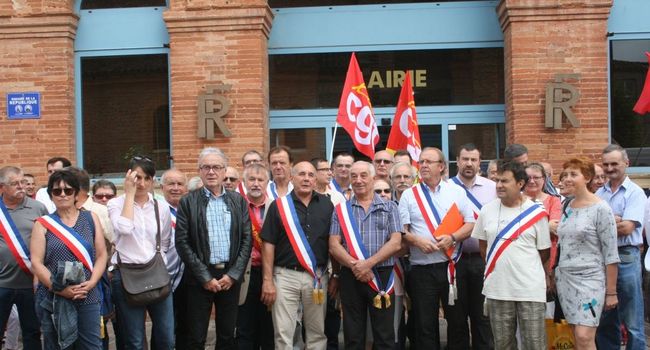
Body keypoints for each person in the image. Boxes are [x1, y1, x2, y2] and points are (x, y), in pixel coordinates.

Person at [175, 147, 252, 349]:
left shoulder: (238, 201)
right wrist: (205, 277)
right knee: (196, 337)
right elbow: (182, 242)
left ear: (224, 170)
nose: (211, 172)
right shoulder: (187, 202)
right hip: (200, 277)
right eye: (206, 167)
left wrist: (234, 274)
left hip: (230, 277)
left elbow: (247, 240)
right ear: (199, 171)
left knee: (227, 336)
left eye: (216, 167)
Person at [398, 147, 475, 349]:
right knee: (425, 325)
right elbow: (401, 231)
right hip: (421, 270)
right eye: (421, 162)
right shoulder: (409, 195)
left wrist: (452, 237)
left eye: (428, 162)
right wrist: (417, 241)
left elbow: (471, 224)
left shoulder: (457, 192)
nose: (423, 165)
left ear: (441, 166)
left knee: (458, 322)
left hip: (452, 267)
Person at [472, 161, 550, 350]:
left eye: (505, 181)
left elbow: (544, 251)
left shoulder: (536, 212)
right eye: (497, 180)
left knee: (535, 344)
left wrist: (523, 268)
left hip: (530, 290)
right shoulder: (486, 210)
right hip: (498, 290)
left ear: (520, 183)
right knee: (503, 345)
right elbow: (483, 247)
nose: (498, 185)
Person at [260, 161, 333, 350]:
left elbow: (333, 242)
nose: (306, 178)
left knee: (317, 333)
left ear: (316, 179)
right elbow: (268, 244)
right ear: (292, 177)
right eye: (301, 174)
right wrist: (267, 280)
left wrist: (337, 275)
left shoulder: (327, 204)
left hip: (316, 277)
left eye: (310, 174)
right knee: (284, 333)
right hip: (285, 277)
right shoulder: (279, 206)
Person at [31, 169, 108, 349]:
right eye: (57, 191)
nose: (63, 194)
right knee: (58, 346)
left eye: (68, 190)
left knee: (91, 346)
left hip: (87, 294)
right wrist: (60, 289)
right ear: (51, 196)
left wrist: (92, 282)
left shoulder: (90, 218)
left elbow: (102, 254)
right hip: (54, 297)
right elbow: (36, 262)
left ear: (76, 194)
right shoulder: (42, 224)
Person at [329, 161, 402, 350]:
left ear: (373, 178)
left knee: (384, 333)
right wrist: (356, 266)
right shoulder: (341, 210)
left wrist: (367, 264)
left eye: (363, 175)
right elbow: (334, 245)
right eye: (354, 176)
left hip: (382, 276)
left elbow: (395, 242)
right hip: (350, 276)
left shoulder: (390, 207)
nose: (358, 180)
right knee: (353, 334)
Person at [108, 156, 174, 350]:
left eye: (147, 178)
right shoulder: (115, 204)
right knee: (134, 341)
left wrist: (160, 263)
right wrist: (129, 195)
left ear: (153, 180)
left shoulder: (160, 206)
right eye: (137, 178)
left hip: (156, 273)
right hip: (126, 274)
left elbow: (165, 240)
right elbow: (125, 228)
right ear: (128, 178)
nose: (142, 183)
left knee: (166, 338)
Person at [554, 158, 619, 349]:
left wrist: (612, 292)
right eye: (565, 174)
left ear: (587, 177)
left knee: (584, 336)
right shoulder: (566, 206)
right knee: (575, 335)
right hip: (565, 280)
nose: (567, 178)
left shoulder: (601, 209)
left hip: (590, 280)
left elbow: (611, 253)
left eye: (573, 174)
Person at [595, 144, 646, 350]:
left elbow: (626, 228)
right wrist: (614, 221)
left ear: (626, 163)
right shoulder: (599, 192)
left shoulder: (635, 193)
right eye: (605, 164)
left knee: (632, 319)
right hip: (602, 259)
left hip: (626, 257)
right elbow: (591, 225)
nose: (609, 168)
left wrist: (605, 223)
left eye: (614, 163)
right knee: (606, 319)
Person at [448, 143, 496, 350]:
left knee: (482, 317)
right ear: (457, 161)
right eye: (465, 159)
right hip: (454, 260)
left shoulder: (493, 188)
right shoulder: (446, 188)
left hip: (482, 260)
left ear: (479, 162)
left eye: (473, 160)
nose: (469, 164)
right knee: (456, 318)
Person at [0, 166, 47, 350]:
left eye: (23, 182)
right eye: (15, 183)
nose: (22, 186)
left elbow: (48, 240)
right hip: (2, 283)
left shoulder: (37, 207)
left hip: (31, 283)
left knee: (32, 332)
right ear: (2, 187)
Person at [236, 164, 274, 350]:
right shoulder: (236, 206)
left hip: (270, 275)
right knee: (244, 328)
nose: (256, 184)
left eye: (260, 180)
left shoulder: (278, 207)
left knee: (269, 329)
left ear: (268, 183)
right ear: (244, 183)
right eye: (252, 179)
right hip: (243, 275)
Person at [524, 163, 562, 272]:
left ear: (544, 179)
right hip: (522, 256)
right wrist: (545, 227)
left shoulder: (553, 201)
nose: (531, 181)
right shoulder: (515, 201)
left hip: (548, 256)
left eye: (536, 177)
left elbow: (554, 228)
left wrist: (525, 228)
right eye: (528, 178)